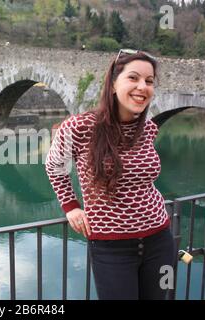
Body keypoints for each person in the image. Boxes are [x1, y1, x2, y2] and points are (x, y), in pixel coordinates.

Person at [45, 49, 175, 300]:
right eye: (133, 78)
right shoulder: (79, 126)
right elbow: (54, 166)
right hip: (111, 247)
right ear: (114, 83)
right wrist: (71, 206)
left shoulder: (148, 128)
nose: (142, 87)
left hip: (159, 238)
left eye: (149, 81)